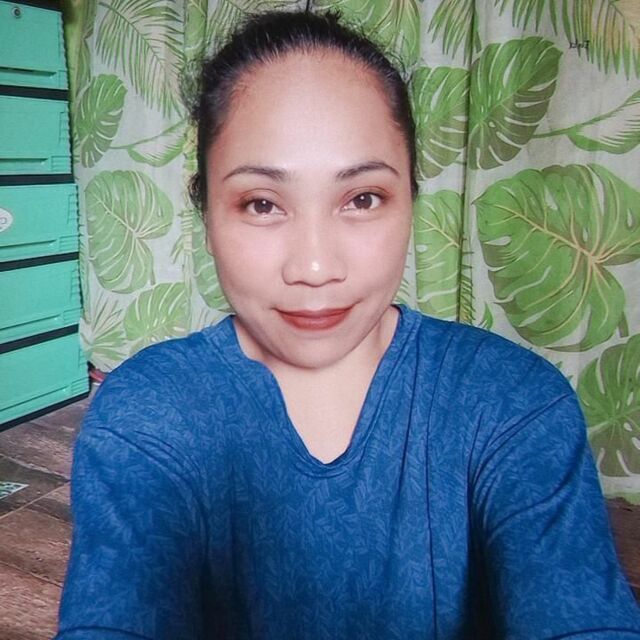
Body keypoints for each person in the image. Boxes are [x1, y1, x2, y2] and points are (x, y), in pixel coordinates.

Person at [55, 10, 640, 640]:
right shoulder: (144, 417)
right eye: (262, 204)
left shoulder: (513, 403)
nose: (314, 268)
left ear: (410, 198)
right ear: (206, 211)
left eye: (362, 199)